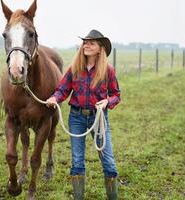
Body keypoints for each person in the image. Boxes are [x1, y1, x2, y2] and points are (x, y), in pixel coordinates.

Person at [46, 29, 120, 200]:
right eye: (85, 42)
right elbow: (62, 90)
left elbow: (116, 94)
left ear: (100, 49)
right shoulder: (74, 69)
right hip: (76, 118)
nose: (86, 45)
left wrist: (107, 102)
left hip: (99, 118)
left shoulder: (108, 70)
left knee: (108, 161)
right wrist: (54, 98)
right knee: (77, 161)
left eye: (91, 43)